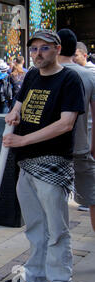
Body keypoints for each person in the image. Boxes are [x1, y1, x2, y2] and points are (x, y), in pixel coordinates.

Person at [3, 29, 85, 282]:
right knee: (36, 226)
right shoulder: (31, 75)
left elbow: (66, 123)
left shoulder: (70, 78)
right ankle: (36, 276)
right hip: (26, 164)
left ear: (57, 49)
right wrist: (14, 112)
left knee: (57, 230)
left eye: (44, 48)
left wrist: (23, 141)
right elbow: (19, 102)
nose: (38, 54)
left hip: (53, 164)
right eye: (34, 49)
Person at [57, 29, 95, 231]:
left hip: (53, 150)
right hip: (82, 146)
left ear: (57, 48)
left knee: (54, 202)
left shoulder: (45, 73)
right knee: (92, 197)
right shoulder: (90, 75)